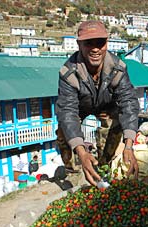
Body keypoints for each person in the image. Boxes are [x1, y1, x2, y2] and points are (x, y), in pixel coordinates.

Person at [55, 20, 140, 186]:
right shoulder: (68, 72)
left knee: (113, 126)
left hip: (106, 106)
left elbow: (128, 102)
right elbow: (67, 112)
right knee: (64, 131)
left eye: (100, 43)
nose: (95, 49)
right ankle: (73, 173)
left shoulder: (118, 68)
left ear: (107, 43)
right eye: (88, 43)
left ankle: (102, 166)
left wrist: (129, 146)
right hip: (79, 108)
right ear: (79, 44)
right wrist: (82, 152)